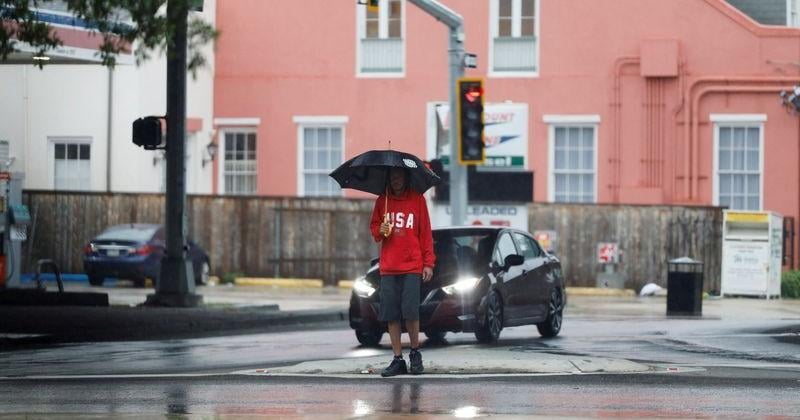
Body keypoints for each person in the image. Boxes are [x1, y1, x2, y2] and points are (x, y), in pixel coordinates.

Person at [370, 167, 435, 377]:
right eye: (392, 176)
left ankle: (415, 353)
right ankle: (398, 359)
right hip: (389, 267)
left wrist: (428, 263)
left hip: (412, 266)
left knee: (411, 312)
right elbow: (375, 230)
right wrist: (381, 230)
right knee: (391, 314)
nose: (395, 180)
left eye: (399, 176)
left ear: (406, 177)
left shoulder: (418, 200)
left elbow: (425, 233)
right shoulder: (383, 200)